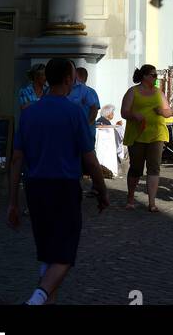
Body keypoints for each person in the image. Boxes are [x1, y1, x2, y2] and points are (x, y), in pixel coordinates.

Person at [8, 58, 109, 305]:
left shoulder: (29, 113)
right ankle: (37, 298)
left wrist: (12, 201)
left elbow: (16, 159)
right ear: (68, 79)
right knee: (64, 255)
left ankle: (45, 299)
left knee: (47, 254)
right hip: (63, 187)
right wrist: (101, 188)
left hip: (35, 187)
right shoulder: (74, 113)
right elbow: (90, 158)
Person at [120, 65, 172, 212]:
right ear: (144, 76)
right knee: (136, 168)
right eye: (153, 75)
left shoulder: (158, 93)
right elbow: (124, 111)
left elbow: (169, 112)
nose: (156, 78)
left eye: (156, 75)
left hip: (156, 134)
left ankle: (152, 202)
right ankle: (130, 198)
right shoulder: (133, 91)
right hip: (138, 134)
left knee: (154, 168)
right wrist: (134, 115)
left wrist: (162, 111)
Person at [68, 66, 100, 150]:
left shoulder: (88, 91)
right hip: (81, 131)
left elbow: (95, 109)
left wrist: (86, 126)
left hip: (86, 131)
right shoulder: (92, 91)